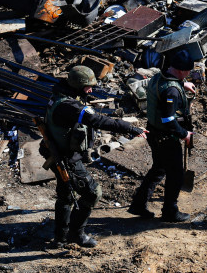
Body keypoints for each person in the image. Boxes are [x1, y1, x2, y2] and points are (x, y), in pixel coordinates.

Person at [43, 65, 147, 248]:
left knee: (66, 196)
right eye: (87, 87)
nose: (90, 90)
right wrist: (130, 128)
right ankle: (76, 233)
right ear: (76, 85)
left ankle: (61, 237)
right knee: (92, 193)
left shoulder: (61, 95)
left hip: (58, 153)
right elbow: (98, 120)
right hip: (67, 158)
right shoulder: (69, 106)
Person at [128, 50, 195, 222]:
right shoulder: (171, 91)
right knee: (175, 174)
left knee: (159, 168)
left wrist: (182, 84)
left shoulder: (160, 76)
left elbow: (167, 86)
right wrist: (184, 134)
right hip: (166, 137)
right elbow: (168, 119)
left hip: (153, 132)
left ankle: (138, 204)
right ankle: (170, 211)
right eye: (187, 72)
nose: (188, 74)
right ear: (180, 70)